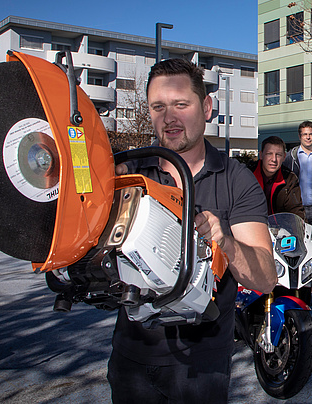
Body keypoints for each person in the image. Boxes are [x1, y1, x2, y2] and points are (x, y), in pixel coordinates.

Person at [108, 58, 277, 403]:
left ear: (207, 107)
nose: (169, 118)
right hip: (130, 356)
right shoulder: (127, 173)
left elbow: (265, 278)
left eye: (181, 104)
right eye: (158, 107)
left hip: (202, 365)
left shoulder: (236, 179)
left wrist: (225, 242)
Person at [250, 136, 305, 219]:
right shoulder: (247, 174)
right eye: (269, 154)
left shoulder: (289, 178)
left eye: (278, 155)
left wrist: (302, 226)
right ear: (261, 155)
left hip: (279, 228)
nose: (274, 159)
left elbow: (296, 210)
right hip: (250, 226)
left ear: (284, 157)